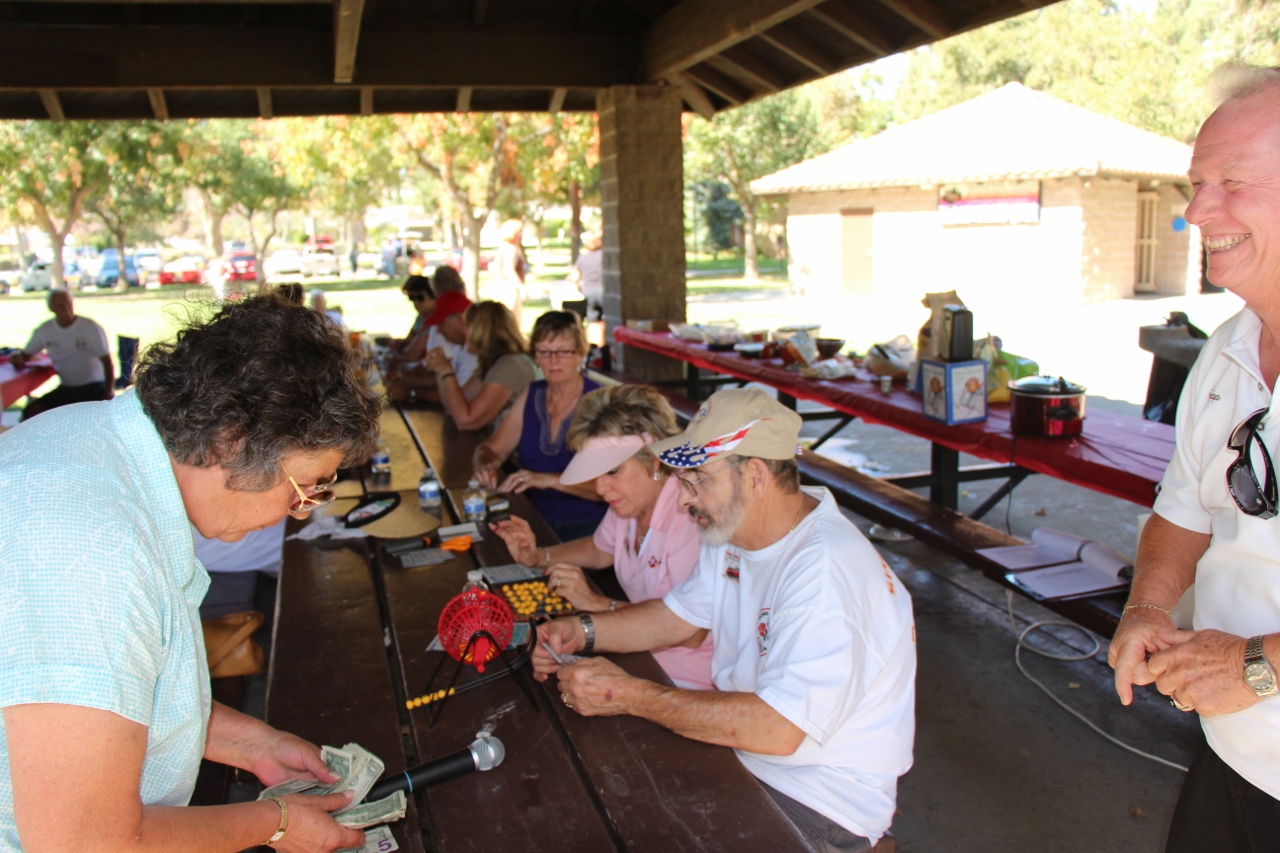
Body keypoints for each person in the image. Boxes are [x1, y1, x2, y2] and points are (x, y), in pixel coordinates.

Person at [0, 294, 382, 852]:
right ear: (231, 442)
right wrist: (277, 823)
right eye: (307, 489)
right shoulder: (96, 555)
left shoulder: (97, 437)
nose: (299, 512)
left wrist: (255, 745)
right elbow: (81, 842)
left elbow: (110, 704)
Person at [533, 387, 916, 850]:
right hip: (751, 759)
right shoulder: (737, 530)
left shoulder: (825, 573)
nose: (682, 499)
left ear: (755, 474)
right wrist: (582, 631)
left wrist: (630, 694)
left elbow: (778, 728)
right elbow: (678, 619)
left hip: (820, 799)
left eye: (697, 478)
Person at [1108, 64, 1280, 852]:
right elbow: (1182, 513)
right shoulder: (1227, 350)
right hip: (1235, 757)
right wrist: (1150, 605)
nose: (1195, 211)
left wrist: (1257, 666)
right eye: (1196, 183)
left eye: (1231, 182)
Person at [491, 384, 712, 689]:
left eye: (612, 471)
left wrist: (596, 604)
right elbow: (599, 549)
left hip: (687, 680)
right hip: (638, 655)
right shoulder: (629, 505)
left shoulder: (689, 518)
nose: (599, 488)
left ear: (654, 460)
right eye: (597, 473)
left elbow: (691, 631)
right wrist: (537, 556)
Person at [473, 310, 606, 541]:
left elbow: (610, 485)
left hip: (592, 527)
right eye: (544, 352)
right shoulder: (532, 394)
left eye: (563, 352)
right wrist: (486, 465)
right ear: (534, 356)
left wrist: (551, 480)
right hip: (533, 518)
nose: (553, 361)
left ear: (581, 353)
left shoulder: (599, 401)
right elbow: (492, 448)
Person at [427, 300, 535, 431]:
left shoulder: (511, 366)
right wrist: (440, 371)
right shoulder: (494, 363)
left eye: (467, 326)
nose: (463, 330)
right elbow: (452, 409)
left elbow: (466, 421)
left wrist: (447, 372)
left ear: (481, 331)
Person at [10, 289, 114, 420]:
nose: (66, 308)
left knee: (86, 419)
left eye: (68, 303)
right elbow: (25, 354)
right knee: (31, 411)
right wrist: (16, 357)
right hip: (67, 387)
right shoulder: (45, 330)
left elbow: (107, 360)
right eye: (60, 305)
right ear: (51, 308)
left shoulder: (90, 327)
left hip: (93, 386)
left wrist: (109, 389)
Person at [494, 218, 528, 328]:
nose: (520, 235)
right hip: (508, 288)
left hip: (501, 286)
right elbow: (509, 270)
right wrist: (522, 288)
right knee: (511, 323)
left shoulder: (503, 247)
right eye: (518, 232)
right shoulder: (510, 249)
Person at [566, 232, 603, 321]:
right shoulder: (604, 255)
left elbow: (575, 276)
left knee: (593, 320)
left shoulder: (582, 257)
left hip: (588, 291)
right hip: (604, 291)